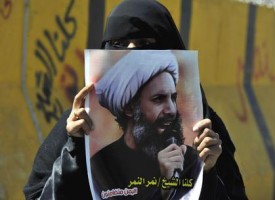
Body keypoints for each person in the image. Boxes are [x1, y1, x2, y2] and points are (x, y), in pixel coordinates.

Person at [23, 0, 247, 199]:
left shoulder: (203, 139)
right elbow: (38, 194)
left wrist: (205, 173)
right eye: (119, 45)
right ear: (128, 106)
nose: (131, 52)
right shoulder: (80, 131)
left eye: (145, 43)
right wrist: (74, 152)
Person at [90, 50, 202, 199]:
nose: (171, 110)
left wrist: (210, 170)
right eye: (158, 99)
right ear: (130, 108)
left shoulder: (189, 160)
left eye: (172, 98)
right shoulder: (102, 164)